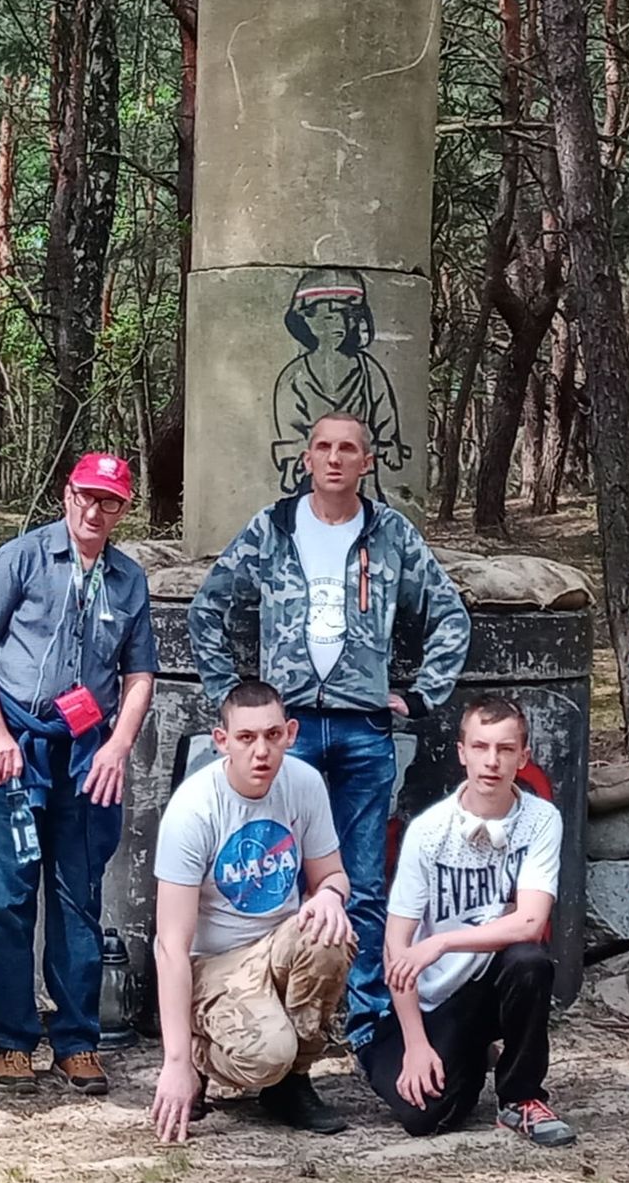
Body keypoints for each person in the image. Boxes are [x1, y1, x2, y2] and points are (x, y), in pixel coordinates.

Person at [186, 413, 470, 1052]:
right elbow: (209, 607)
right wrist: (228, 700)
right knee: (274, 880)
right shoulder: (273, 528)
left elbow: (449, 613)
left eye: (349, 449)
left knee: (362, 882)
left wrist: (424, 692)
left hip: (362, 730)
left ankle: (369, 1027)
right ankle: (277, 1019)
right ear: (306, 458)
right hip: (284, 733)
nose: (335, 459)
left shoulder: (390, 534)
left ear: (367, 462)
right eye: (323, 448)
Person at [0, 452, 157, 1097]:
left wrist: (118, 747)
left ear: (122, 509)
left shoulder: (128, 579)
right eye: (85, 497)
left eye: (109, 502)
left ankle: (78, 1041)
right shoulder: (20, 559)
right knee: (8, 900)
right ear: (67, 495)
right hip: (15, 746)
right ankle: (12, 1041)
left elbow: (138, 674)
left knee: (78, 896)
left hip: (87, 753)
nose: (94, 511)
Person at [365, 696, 575, 1148]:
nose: (492, 762)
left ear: (524, 756)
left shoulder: (540, 820)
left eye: (504, 749)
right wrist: (417, 1046)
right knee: (426, 1117)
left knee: (529, 961)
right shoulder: (429, 831)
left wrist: (442, 943)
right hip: (437, 997)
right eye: (480, 747)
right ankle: (462, 1055)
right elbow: (396, 947)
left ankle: (521, 1098)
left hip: (494, 979)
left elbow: (530, 921)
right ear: (462, 753)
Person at [149, 681, 355, 1141]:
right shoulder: (195, 808)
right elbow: (170, 946)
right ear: (222, 741)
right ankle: (206, 1057)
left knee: (332, 936)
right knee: (266, 1055)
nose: (261, 751)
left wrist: (328, 895)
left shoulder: (303, 784)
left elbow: (334, 876)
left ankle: (292, 1083)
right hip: (213, 963)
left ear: (290, 733)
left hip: (278, 944)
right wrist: (176, 1062)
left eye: (272, 735)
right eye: (246, 738)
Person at [270, 269, 410, 493]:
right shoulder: (295, 376)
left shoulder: (367, 370)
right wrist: (291, 461)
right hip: (312, 476)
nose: (337, 324)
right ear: (306, 319)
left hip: (362, 475)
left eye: (347, 315)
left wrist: (387, 442)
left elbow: (384, 411)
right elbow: (290, 427)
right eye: (326, 316)